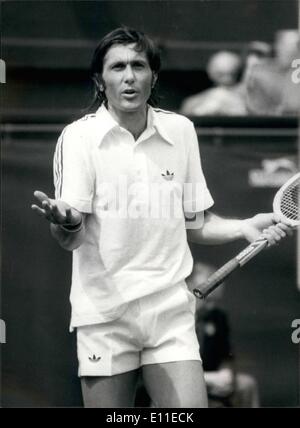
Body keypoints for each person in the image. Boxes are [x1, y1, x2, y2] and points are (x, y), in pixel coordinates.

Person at [31, 27, 292, 408]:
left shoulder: (181, 130)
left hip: (170, 312)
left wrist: (242, 227)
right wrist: (67, 221)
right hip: (105, 314)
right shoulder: (78, 138)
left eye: (139, 65)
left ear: (153, 76)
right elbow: (72, 237)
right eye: (117, 67)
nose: (129, 76)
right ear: (99, 81)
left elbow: (196, 222)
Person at [186, 261, 260, 408]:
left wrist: (227, 374)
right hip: (186, 380)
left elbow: (226, 355)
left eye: (216, 301)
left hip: (216, 378)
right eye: (207, 300)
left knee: (247, 385)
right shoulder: (175, 320)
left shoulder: (217, 317)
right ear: (189, 289)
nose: (212, 306)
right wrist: (207, 379)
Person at [180, 50, 247, 116]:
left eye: (231, 73)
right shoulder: (192, 102)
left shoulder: (245, 99)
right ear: (210, 72)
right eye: (220, 73)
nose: (226, 78)